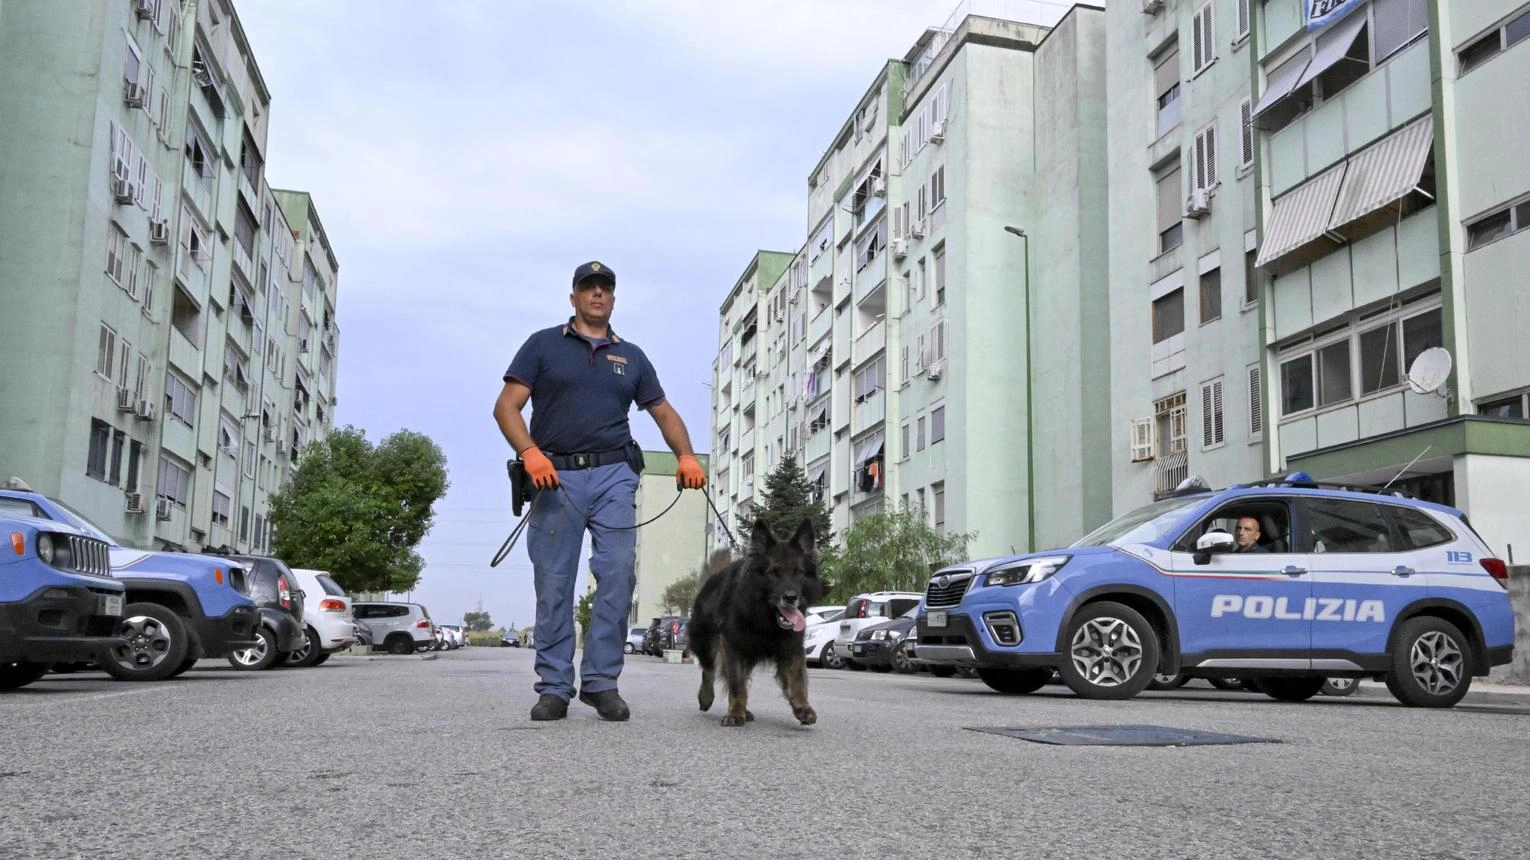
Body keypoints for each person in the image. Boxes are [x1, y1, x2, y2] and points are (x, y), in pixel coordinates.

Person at [493, 260, 706, 722]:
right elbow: (507, 407)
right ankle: (553, 686)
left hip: (614, 475)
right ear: (573, 296)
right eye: (587, 288)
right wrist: (530, 452)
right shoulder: (542, 345)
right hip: (555, 475)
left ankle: (601, 682)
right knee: (554, 583)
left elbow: (663, 412)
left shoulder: (630, 356)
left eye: (604, 289)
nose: (596, 294)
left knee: (618, 572)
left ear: (613, 298)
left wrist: (687, 455)